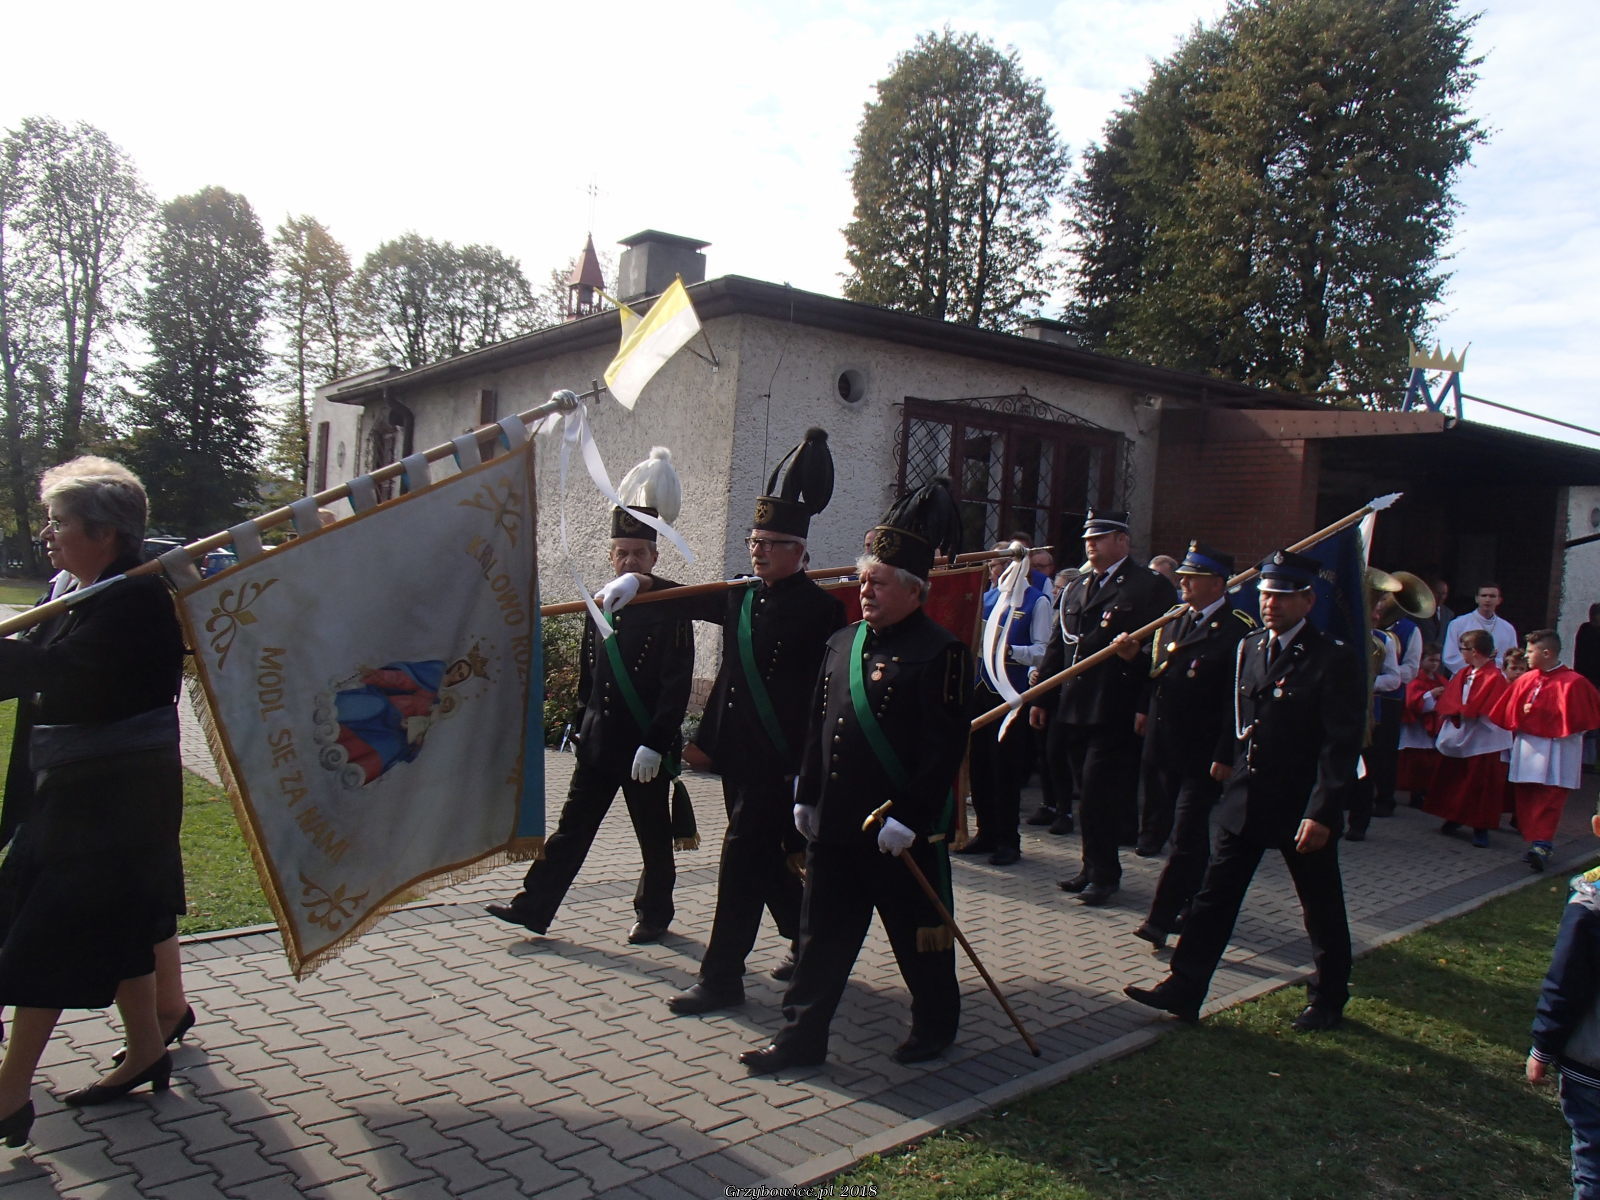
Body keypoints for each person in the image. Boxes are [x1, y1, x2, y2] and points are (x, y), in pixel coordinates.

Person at [740, 480, 971, 1073]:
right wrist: (807, 792)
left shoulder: (941, 652)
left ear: (914, 590)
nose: (865, 591)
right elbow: (820, 723)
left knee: (917, 935)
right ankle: (800, 1039)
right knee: (820, 937)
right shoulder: (842, 641)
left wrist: (910, 818)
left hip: (895, 831)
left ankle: (936, 1024)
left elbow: (943, 749)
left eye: (880, 583)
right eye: (864, 581)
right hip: (837, 825)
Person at [617, 430, 845, 1015]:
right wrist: (641, 583)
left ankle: (722, 977)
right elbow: (688, 600)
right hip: (738, 755)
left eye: (770, 543)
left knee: (741, 860)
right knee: (761, 859)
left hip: (780, 761)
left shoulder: (824, 611)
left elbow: (827, 696)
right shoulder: (744, 596)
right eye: (753, 541)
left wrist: (810, 769)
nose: (758, 551)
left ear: (799, 551)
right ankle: (806, 939)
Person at [0, 458, 193, 1142]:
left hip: (112, 804)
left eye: (59, 522)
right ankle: (147, 1049)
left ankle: (9, 1094)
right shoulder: (86, 591)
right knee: (122, 928)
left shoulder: (134, 600)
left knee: (47, 937)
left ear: (105, 532)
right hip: (77, 794)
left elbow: (65, 675)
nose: (47, 535)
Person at [1124, 549, 1366, 1031]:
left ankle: (1328, 996)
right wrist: (1229, 765)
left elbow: (1340, 745)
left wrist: (1322, 811)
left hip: (1300, 804)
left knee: (1319, 905)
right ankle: (1185, 986)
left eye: (1283, 596)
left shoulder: (1332, 657)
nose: (1271, 604)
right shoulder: (1251, 646)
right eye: (1266, 595)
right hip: (1248, 795)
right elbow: (1241, 719)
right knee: (1214, 897)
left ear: (1307, 600)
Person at [486, 448, 694, 943]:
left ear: (654, 558)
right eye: (621, 552)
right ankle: (533, 906)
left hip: (643, 748)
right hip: (599, 743)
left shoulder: (671, 605)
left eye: (638, 553)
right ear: (610, 555)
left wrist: (657, 742)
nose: (628, 560)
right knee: (571, 830)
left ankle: (653, 915)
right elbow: (590, 674)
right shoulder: (601, 601)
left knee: (653, 838)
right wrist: (580, 725)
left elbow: (676, 685)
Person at [1030, 510, 1174, 906]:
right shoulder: (1078, 587)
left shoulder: (1149, 586)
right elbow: (1060, 646)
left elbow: (1162, 653)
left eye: (1100, 538)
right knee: (1085, 791)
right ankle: (1090, 866)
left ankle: (1106, 874)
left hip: (1116, 705)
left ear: (1122, 541)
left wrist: (1145, 703)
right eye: (1088, 539)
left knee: (1100, 794)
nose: (1091, 545)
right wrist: (1043, 697)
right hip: (1074, 705)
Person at [1126, 542, 1254, 949]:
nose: (1183, 583)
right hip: (1165, 744)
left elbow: (1236, 700)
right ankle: (1195, 902)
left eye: (1192, 578)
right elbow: (1159, 675)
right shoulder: (1175, 618)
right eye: (1182, 576)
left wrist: (1225, 752)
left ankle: (1159, 920)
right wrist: (1133, 662)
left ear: (1217, 583)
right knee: (1191, 838)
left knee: (1184, 836)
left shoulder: (1237, 630)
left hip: (1203, 751)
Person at [960, 541, 1051, 866]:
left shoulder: (1036, 600)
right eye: (993, 565)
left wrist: (1010, 650)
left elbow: (1043, 650)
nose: (995, 571)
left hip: (1010, 694)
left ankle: (1008, 839)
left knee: (1006, 770)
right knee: (981, 767)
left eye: (1000, 564)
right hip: (979, 690)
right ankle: (985, 832)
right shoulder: (986, 599)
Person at [1487, 629, 1600, 872]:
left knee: (1551, 797)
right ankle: (1536, 840)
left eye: (1530, 651)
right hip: (1529, 747)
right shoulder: (1526, 679)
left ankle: (1542, 844)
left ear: (1546, 653)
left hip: (1560, 750)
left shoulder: (1574, 682)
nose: (1526, 656)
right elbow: (1508, 712)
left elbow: (1584, 720)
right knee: (1527, 795)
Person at [1528, 824, 1600, 1200]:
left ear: (1598, 827)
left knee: (1593, 1164)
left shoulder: (1591, 901)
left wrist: (1543, 1046)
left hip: (1591, 1064)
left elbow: (1566, 983)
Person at [1424, 630, 1511, 848]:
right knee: (1456, 779)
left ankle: (1480, 827)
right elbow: (1452, 698)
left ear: (1474, 651)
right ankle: (1454, 816)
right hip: (1462, 731)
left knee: (1480, 785)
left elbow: (1494, 709)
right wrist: (1456, 711)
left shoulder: (1494, 677)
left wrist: (1469, 712)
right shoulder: (1464, 673)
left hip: (1484, 738)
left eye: (1463, 649)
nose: (1460, 653)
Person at [1395, 642, 1447, 807]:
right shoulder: (1415, 679)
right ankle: (1415, 793)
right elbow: (1412, 701)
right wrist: (1431, 694)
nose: (1434, 664)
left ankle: (1425, 791)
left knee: (1429, 763)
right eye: (1431, 660)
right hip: (1416, 727)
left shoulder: (1440, 680)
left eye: (1437, 661)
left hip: (1432, 726)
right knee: (1416, 763)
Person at [1442, 584, 1518, 672]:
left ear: (1499, 600)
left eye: (1492, 596)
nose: (1487, 599)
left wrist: (1493, 662)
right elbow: (1450, 657)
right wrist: (1479, 662)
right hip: (1466, 676)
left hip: (1497, 676)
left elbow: (1513, 658)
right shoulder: (1458, 624)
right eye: (1484, 596)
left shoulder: (1508, 628)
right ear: (1476, 599)